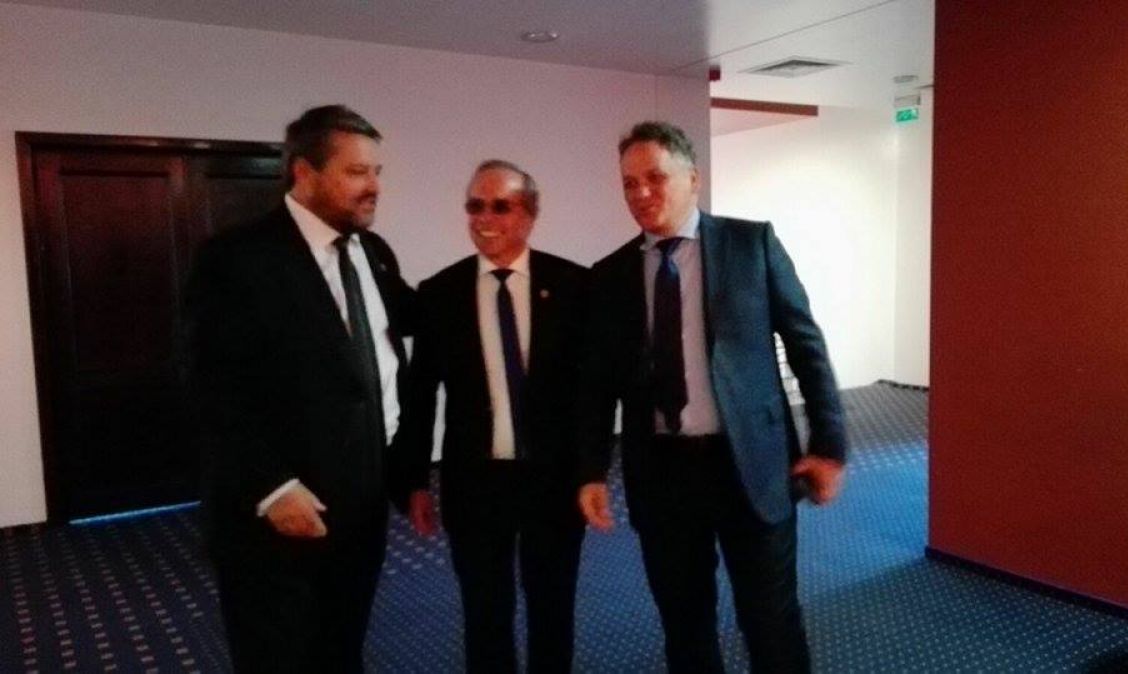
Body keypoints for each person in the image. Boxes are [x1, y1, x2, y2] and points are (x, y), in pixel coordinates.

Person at [576, 121, 848, 673]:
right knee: (685, 627)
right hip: (662, 475)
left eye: (655, 177)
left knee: (771, 622)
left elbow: (806, 347)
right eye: (629, 182)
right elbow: (598, 385)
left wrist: (829, 445)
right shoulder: (609, 276)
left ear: (693, 178)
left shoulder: (752, 245)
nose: (640, 193)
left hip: (751, 466)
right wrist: (591, 471)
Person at [186, 104, 416, 673]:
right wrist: (271, 487)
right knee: (279, 656)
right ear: (304, 172)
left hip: (362, 501)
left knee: (342, 646)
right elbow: (211, 387)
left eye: (377, 171)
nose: (374, 186)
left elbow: (402, 340)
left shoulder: (373, 252)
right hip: (278, 514)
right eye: (356, 171)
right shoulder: (236, 259)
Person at [398, 160, 587, 673]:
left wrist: (591, 472)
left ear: (530, 214)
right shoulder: (440, 294)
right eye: (475, 205)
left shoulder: (573, 285)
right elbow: (420, 396)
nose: (484, 218)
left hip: (553, 481)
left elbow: (590, 393)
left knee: (553, 609)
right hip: (475, 483)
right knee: (485, 614)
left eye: (501, 206)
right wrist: (413, 481)